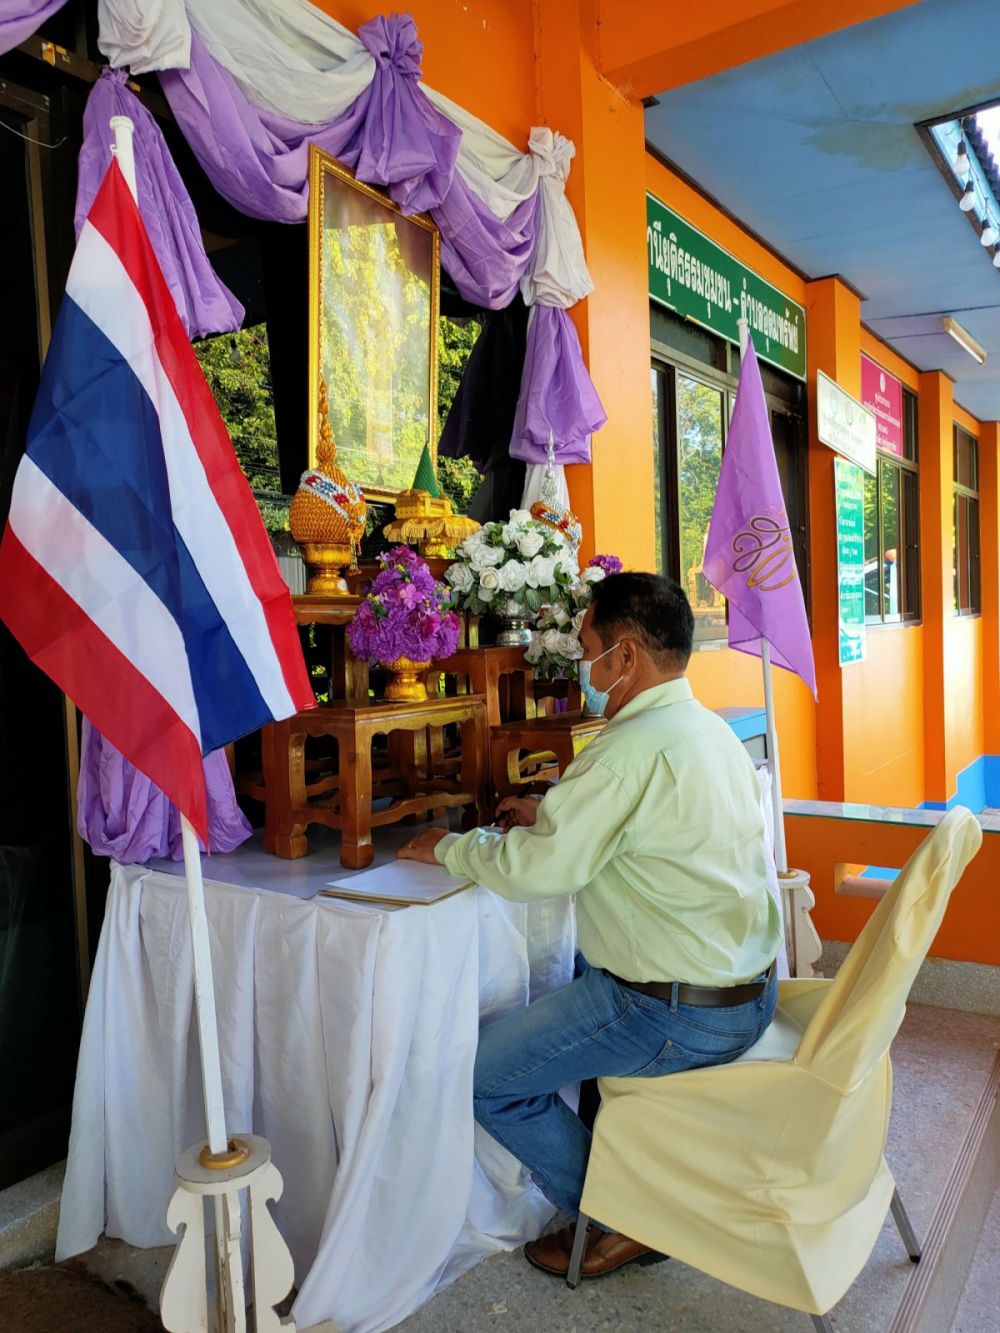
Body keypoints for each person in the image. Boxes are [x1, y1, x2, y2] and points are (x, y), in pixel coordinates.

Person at [398, 572, 780, 1279]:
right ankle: (625, 1172)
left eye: (588, 646)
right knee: (567, 971)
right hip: (750, 994)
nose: (583, 665)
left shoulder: (624, 751)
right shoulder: (706, 730)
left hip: (672, 1010)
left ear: (626, 657)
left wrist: (452, 847)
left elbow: (539, 873)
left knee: (485, 1076)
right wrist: (549, 812)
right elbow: (642, 828)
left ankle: (622, 1212)